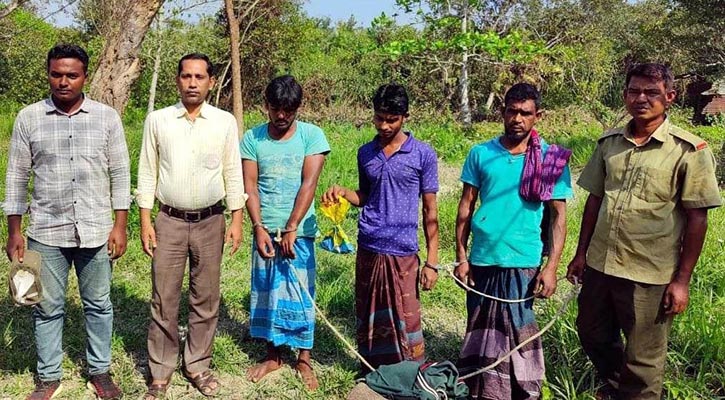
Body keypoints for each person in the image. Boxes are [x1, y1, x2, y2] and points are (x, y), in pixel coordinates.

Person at [567, 63, 722, 400]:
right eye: (634, 91)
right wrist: (581, 254)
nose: (641, 98)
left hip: (649, 273)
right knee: (590, 332)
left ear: (669, 97)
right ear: (624, 95)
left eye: (651, 92)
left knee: (644, 359)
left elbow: (698, 219)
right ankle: (617, 385)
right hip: (601, 263)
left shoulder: (688, 151)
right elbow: (595, 200)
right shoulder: (609, 143)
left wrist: (681, 281)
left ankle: (638, 392)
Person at [2, 44, 130, 400]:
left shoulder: (107, 118)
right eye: (56, 74)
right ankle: (48, 378)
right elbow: (16, 177)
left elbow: (120, 174)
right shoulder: (29, 118)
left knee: (99, 304)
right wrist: (14, 231)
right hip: (45, 231)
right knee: (44, 306)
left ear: (84, 76)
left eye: (71, 75)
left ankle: (100, 372)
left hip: (96, 229)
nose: (63, 81)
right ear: (48, 74)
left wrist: (119, 226)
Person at [137, 53, 247, 399]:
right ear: (177, 80)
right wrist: (145, 221)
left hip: (211, 220)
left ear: (211, 82)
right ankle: (161, 369)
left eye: (200, 77)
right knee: (163, 298)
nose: (192, 83)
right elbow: (147, 170)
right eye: (186, 76)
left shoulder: (224, 122)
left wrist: (236, 219)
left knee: (206, 297)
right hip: (168, 220)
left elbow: (233, 170)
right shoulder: (158, 120)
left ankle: (197, 363)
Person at [454, 83, 573, 399]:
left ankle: (521, 391)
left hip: (524, 260)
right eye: (512, 111)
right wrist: (461, 257)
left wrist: (552, 267)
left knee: (518, 332)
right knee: (480, 330)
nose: (517, 119)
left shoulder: (550, 158)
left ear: (538, 116)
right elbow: (466, 206)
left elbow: (559, 217)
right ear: (502, 112)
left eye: (525, 113)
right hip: (482, 257)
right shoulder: (481, 153)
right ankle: (479, 389)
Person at [322, 83, 440, 372]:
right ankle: (372, 369)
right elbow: (365, 196)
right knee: (370, 313)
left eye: (392, 119)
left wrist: (432, 262)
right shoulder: (366, 153)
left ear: (405, 117)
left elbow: (430, 211)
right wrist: (342, 192)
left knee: (406, 315)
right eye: (379, 118)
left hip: (403, 250)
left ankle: (409, 374)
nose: (384, 125)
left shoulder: (422, 154)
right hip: (369, 246)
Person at [241, 75, 330, 390]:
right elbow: (249, 186)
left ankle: (303, 358)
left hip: (300, 231)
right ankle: (273, 355)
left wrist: (292, 226)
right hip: (264, 229)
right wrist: (258, 227)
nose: (281, 116)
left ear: (298, 108)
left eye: (288, 110)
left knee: (301, 293)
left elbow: (309, 183)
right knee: (266, 293)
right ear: (266, 105)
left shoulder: (312, 136)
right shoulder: (252, 138)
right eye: (276, 109)